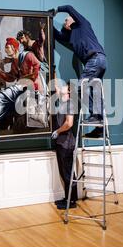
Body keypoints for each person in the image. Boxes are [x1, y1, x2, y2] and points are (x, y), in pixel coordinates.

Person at [50, 5, 107, 138]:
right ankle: (99, 129)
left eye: (66, 20)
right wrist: (47, 21)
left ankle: (95, 117)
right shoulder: (72, 37)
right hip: (99, 61)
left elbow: (69, 8)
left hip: (95, 59)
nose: (64, 22)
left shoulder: (82, 24)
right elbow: (58, 36)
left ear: (73, 20)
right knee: (95, 91)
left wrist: (56, 11)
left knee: (81, 87)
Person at [0, 37, 42, 123]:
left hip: (33, 87)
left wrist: (29, 78)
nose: (5, 50)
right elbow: (10, 78)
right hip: (22, 88)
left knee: (2, 96)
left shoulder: (28, 55)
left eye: (7, 47)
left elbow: (38, 65)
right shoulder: (14, 63)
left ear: (14, 48)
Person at [51, 81, 78, 210]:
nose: (61, 87)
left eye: (65, 86)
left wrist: (58, 131)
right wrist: (52, 71)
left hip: (67, 144)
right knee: (64, 172)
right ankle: (68, 198)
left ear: (69, 92)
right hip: (61, 143)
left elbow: (69, 123)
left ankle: (71, 201)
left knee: (68, 174)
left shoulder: (70, 104)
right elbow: (56, 88)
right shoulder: (63, 102)